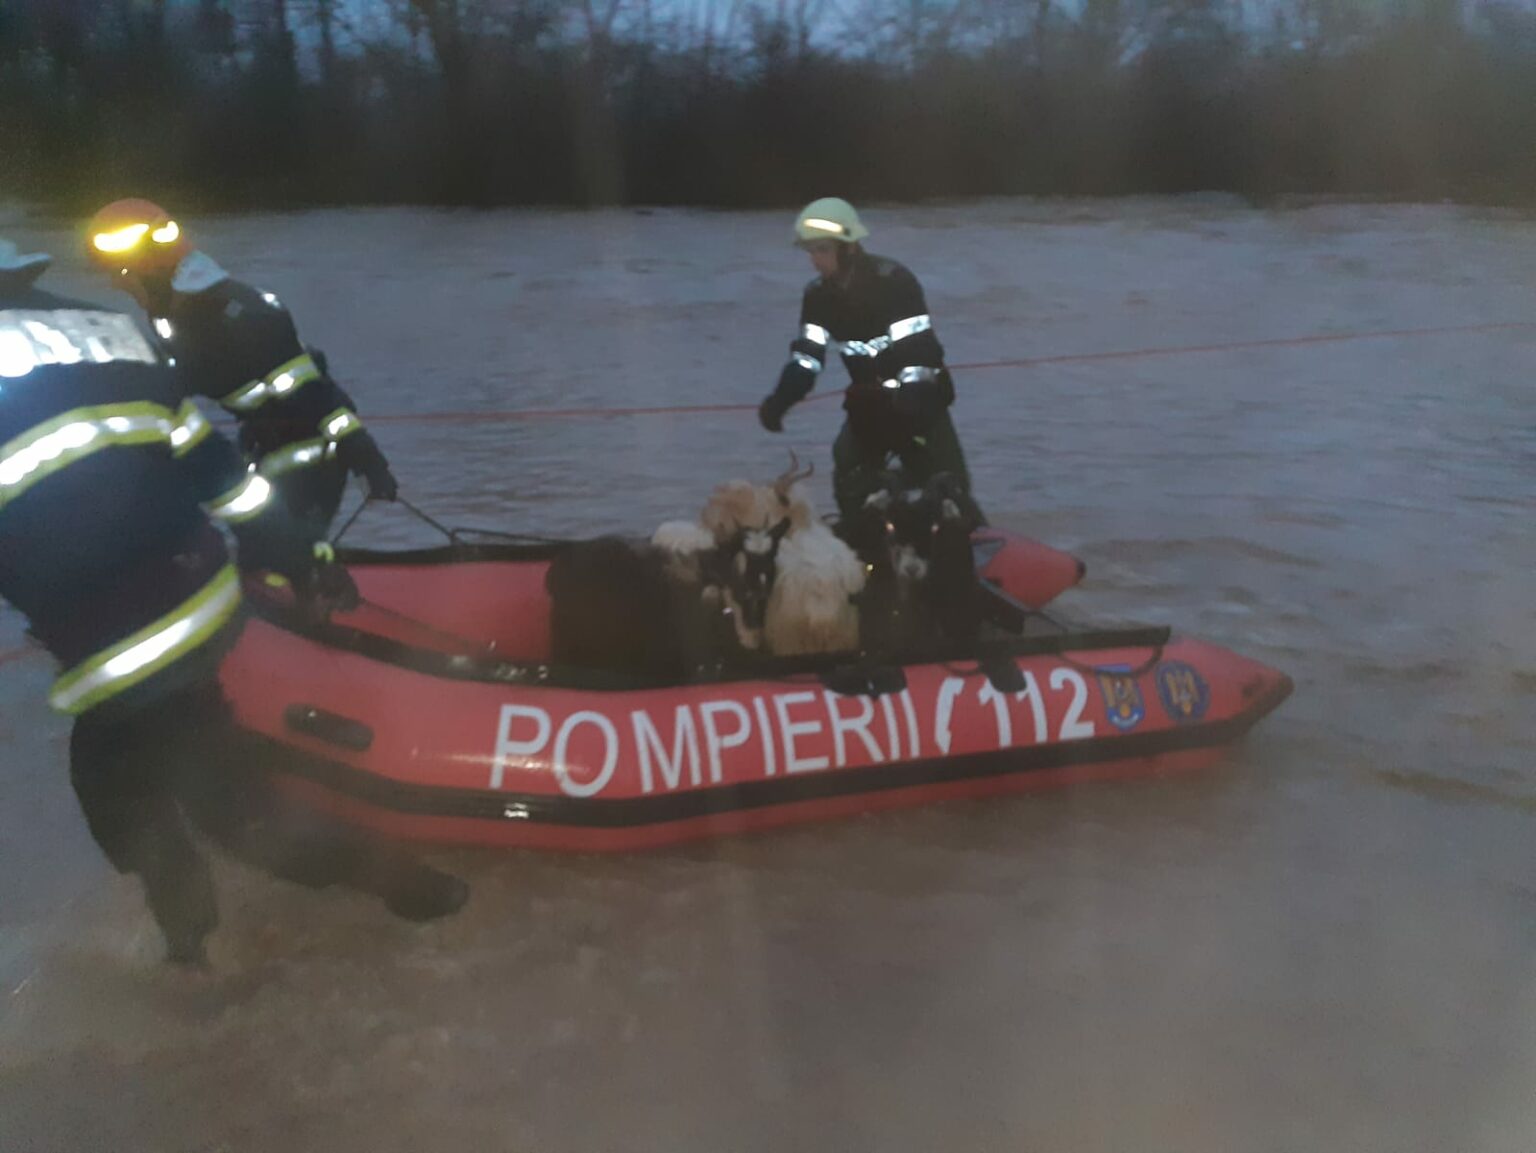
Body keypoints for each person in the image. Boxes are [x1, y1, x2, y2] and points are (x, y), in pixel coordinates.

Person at [0, 237, 466, 966]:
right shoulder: (113, 334)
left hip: (120, 639)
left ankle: (192, 946)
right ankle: (397, 880)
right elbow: (220, 471)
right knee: (211, 786)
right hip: (205, 594)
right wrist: (298, 553)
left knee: (140, 800)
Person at [85, 198, 398, 534]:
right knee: (265, 541)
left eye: (125, 276)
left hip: (308, 447)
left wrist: (363, 454)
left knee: (287, 551)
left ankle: (310, 576)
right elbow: (195, 373)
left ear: (152, 269)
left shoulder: (236, 312)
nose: (123, 287)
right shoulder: (177, 313)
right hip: (265, 442)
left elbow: (308, 389)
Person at [757, 197, 979, 525]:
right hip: (869, 404)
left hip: (920, 402)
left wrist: (910, 404)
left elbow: (919, 351)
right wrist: (780, 400)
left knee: (953, 486)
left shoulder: (894, 282)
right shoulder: (817, 296)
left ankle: (964, 539)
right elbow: (807, 358)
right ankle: (862, 543)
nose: (814, 260)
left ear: (848, 248)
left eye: (821, 250)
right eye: (810, 251)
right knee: (846, 463)